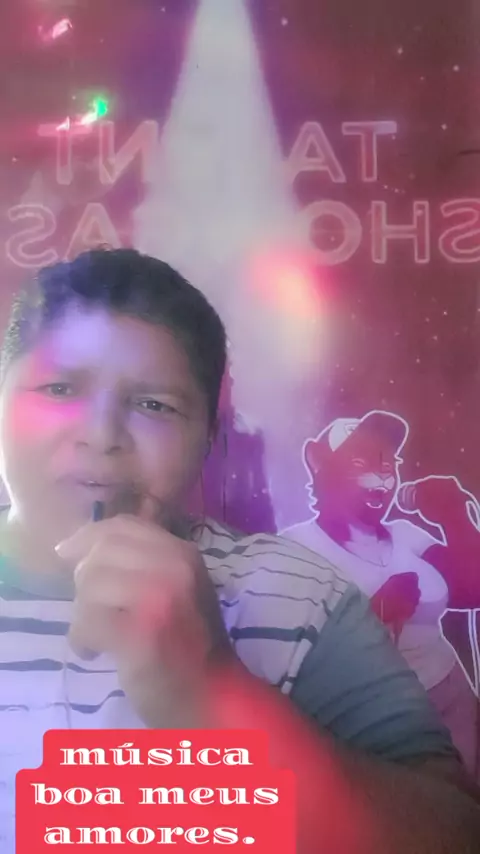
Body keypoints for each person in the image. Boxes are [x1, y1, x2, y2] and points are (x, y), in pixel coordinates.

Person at [0, 249, 479, 852]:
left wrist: (211, 695)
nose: (100, 435)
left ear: (209, 438)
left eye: (154, 405)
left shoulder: (297, 595)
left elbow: (454, 836)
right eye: (59, 387)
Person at [281, 411, 479, 776]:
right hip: (375, 715)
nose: (382, 478)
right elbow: (289, 661)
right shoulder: (297, 548)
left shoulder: (406, 534)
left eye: (389, 464)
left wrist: (452, 514)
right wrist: (375, 615)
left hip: (452, 696)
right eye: (362, 463)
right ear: (320, 465)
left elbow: (474, 588)